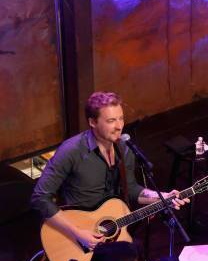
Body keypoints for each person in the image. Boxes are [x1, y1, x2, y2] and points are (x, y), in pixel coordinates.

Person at [31, 92, 188, 252]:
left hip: (112, 229)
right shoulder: (71, 151)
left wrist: (161, 197)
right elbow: (39, 198)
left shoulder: (125, 149)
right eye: (111, 120)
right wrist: (78, 233)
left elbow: (132, 189)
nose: (119, 126)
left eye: (121, 118)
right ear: (92, 122)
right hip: (79, 235)